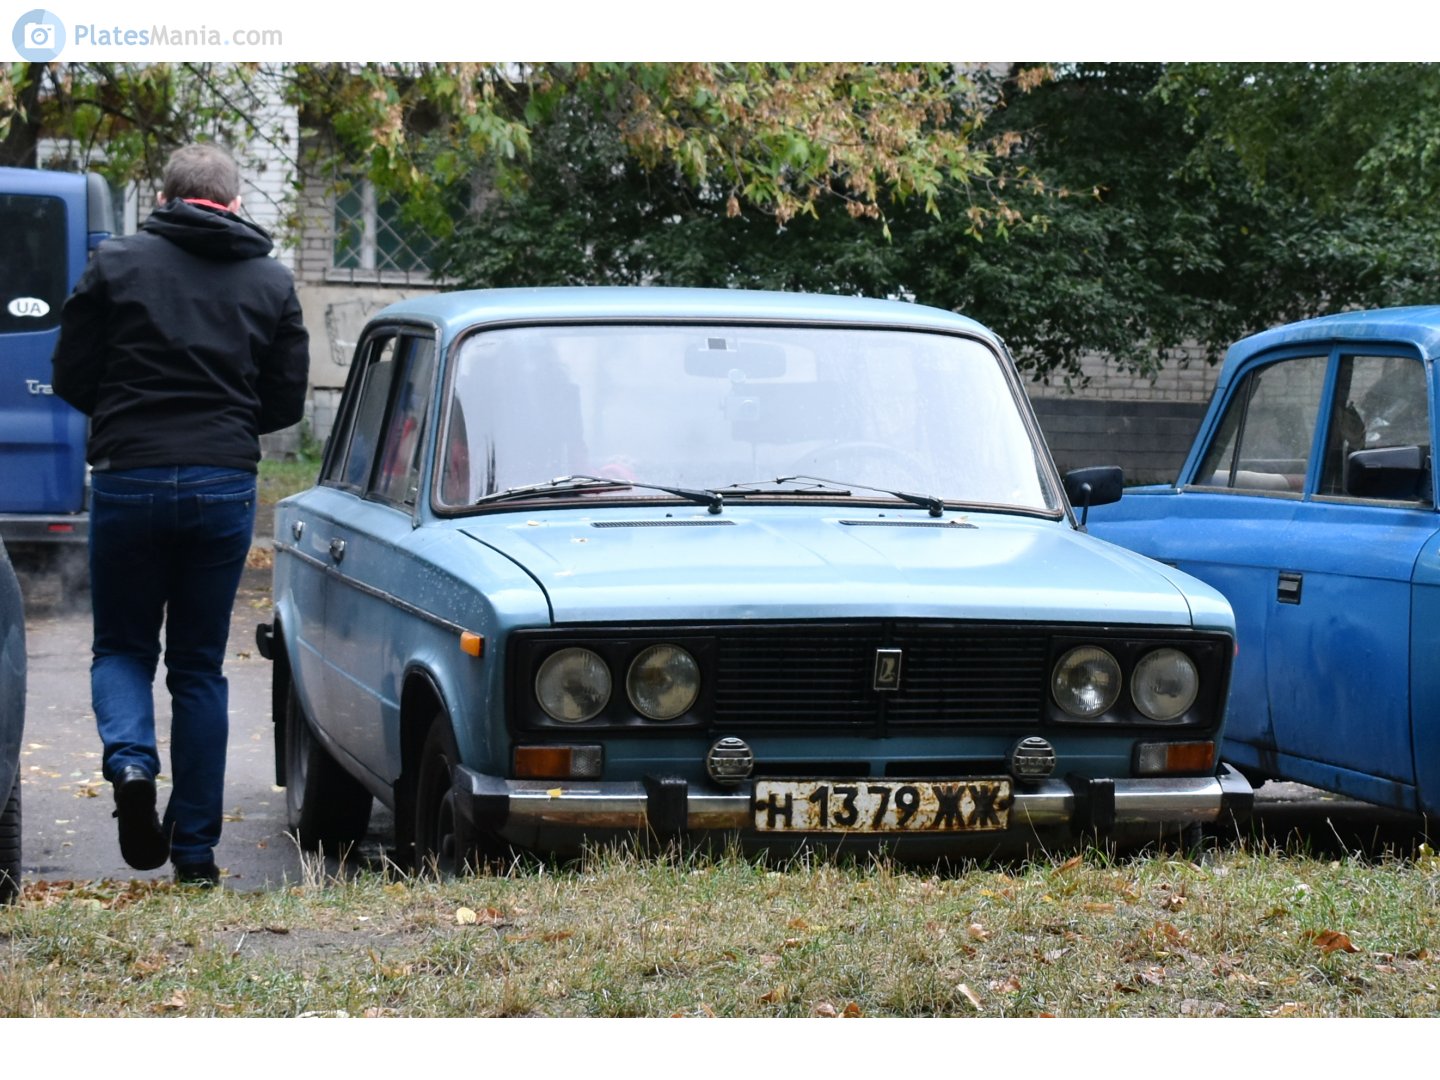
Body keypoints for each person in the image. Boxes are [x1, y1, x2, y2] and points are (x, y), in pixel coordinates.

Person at [51, 143, 309, 887]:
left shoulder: (117, 265)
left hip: (129, 475)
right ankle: (194, 855)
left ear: (165, 198)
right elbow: (285, 399)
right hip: (222, 483)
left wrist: (130, 416)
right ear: (231, 200)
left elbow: (72, 371)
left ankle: (131, 763)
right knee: (198, 668)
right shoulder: (270, 280)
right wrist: (221, 427)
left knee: (124, 649)